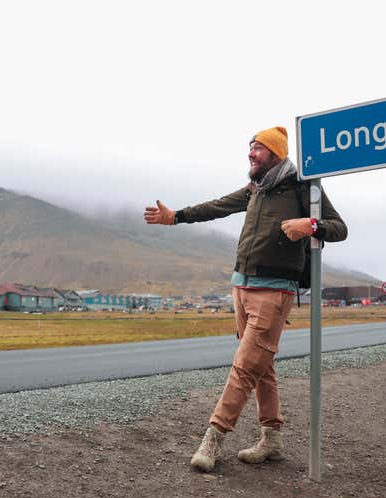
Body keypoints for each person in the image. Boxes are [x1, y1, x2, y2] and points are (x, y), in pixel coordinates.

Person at [144, 126, 347, 472]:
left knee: (243, 367)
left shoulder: (303, 187)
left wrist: (310, 226)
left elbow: (339, 227)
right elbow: (217, 207)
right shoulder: (256, 188)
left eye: (257, 149)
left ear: (275, 153)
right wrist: (175, 217)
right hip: (241, 286)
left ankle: (214, 437)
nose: (251, 154)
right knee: (260, 367)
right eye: (250, 148)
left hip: (276, 290)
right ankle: (272, 439)